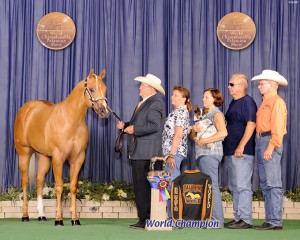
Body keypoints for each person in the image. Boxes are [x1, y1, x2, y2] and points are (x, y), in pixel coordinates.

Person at [117, 73, 165, 229]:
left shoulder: (154, 103)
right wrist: (125, 125)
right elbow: (140, 123)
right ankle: (146, 217)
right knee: (142, 187)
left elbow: (154, 126)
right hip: (142, 152)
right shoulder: (146, 103)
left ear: (151, 88)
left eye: (142, 85)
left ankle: (146, 219)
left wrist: (134, 129)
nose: (140, 87)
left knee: (142, 187)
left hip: (146, 153)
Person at [251, 69, 288, 230]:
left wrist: (270, 147)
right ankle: (270, 219)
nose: (259, 86)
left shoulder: (277, 102)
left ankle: (275, 221)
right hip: (261, 140)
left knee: (273, 183)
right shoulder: (266, 101)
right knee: (266, 183)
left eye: (262, 83)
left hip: (268, 141)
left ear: (272, 85)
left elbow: (278, 128)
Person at [223, 73, 257, 229]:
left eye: (232, 84)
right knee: (235, 186)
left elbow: (251, 125)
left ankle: (246, 219)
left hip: (241, 152)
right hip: (231, 151)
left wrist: (241, 145)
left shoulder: (248, 102)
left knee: (242, 185)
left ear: (242, 85)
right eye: (229, 84)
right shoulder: (234, 102)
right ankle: (239, 217)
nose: (229, 87)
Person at [190, 88, 228, 227]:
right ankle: (211, 218)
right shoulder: (205, 116)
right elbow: (194, 138)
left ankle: (216, 221)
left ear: (214, 99)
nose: (203, 99)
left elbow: (223, 133)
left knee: (212, 186)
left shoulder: (216, 114)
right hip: (204, 154)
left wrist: (204, 141)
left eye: (206, 97)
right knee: (209, 186)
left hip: (210, 153)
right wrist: (194, 131)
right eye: (203, 97)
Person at [162, 86, 191, 218]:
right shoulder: (178, 112)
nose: (172, 97)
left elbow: (178, 135)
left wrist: (172, 155)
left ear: (184, 99)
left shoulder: (180, 112)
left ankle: (175, 217)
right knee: (170, 184)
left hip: (174, 153)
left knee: (172, 185)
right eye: (172, 95)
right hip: (171, 153)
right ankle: (171, 215)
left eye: (176, 95)